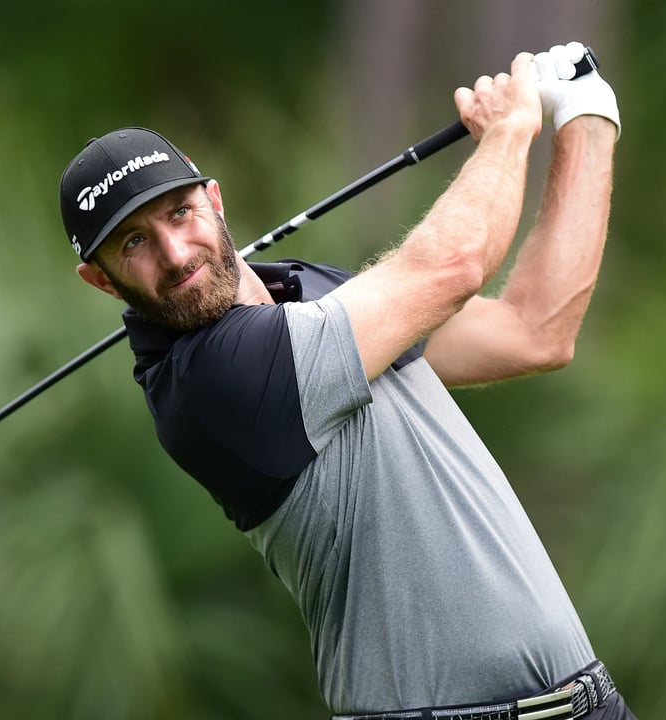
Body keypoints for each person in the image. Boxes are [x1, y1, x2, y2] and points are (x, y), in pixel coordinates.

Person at [58, 42, 635, 719]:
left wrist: (588, 115)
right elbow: (451, 267)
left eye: (178, 213)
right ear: (101, 280)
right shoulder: (211, 381)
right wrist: (511, 129)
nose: (175, 253)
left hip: (585, 701)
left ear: (213, 200)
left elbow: (535, 329)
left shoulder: (313, 300)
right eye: (133, 243)